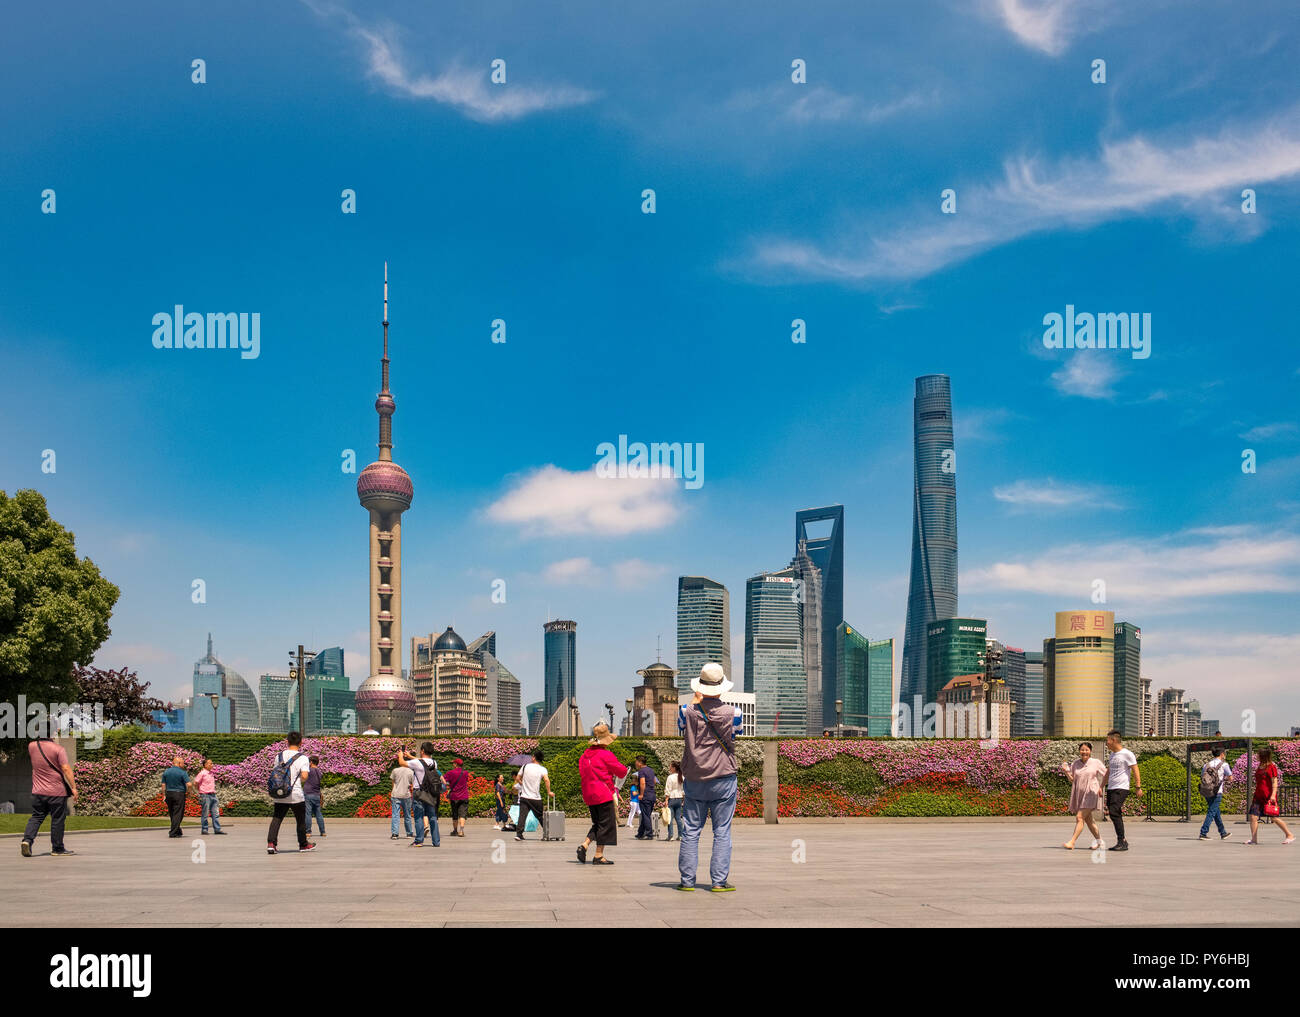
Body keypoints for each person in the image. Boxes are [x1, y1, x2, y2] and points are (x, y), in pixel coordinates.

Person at [676, 663, 743, 891]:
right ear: (721, 687)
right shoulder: (734, 713)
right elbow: (736, 733)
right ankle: (718, 882)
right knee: (722, 830)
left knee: (691, 831)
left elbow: (682, 726)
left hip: (694, 777)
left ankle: (686, 882)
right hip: (723, 777)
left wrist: (695, 702)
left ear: (700, 686)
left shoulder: (686, 711)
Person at [20, 728, 78, 858]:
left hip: (38, 791)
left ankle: (27, 840)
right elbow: (66, 768)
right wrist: (73, 787)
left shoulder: (32, 746)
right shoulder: (58, 749)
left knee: (37, 817)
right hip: (57, 792)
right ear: (51, 733)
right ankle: (57, 848)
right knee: (57, 820)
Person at [577, 723, 628, 865]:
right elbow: (622, 771)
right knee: (606, 824)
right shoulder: (606, 754)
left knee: (598, 823)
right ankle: (598, 855)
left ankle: (585, 845)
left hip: (589, 794)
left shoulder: (584, 756)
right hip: (603, 793)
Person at [267, 731, 315, 854]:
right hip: (295, 794)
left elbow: (276, 773)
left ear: (287, 742)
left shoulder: (279, 756)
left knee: (277, 818)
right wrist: (299, 778)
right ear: (301, 742)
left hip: (280, 793)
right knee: (300, 820)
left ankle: (271, 844)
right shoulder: (303, 758)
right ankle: (303, 845)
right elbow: (304, 776)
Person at [1060, 742, 1106, 850]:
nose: (1084, 752)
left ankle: (1072, 842)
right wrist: (1066, 771)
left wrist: (1101, 787)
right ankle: (1100, 842)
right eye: (1082, 749)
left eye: (1086, 750)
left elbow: (1106, 774)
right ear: (1079, 751)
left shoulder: (1096, 762)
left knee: (1079, 817)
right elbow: (1072, 779)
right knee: (1089, 821)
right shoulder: (1076, 763)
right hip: (1080, 794)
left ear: (1090, 751)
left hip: (1091, 792)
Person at [1246, 747, 1294, 845]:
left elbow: (1274, 782)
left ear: (1263, 756)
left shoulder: (1271, 767)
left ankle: (1289, 835)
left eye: (1258, 754)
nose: (1257, 756)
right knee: (1253, 817)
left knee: (1274, 818)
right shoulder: (1260, 766)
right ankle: (1254, 839)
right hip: (1258, 796)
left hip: (1268, 797)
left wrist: (1273, 795)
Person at [1103, 730, 1142, 852]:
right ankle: (1121, 841)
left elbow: (1135, 769)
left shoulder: (1127, 754)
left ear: (1113, 740)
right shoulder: (1112, 755)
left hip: (1122, 787)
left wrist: (1138, 787)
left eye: (1107, 741)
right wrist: (1101, 786)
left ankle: (1122, 840)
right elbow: (1108, 772)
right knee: (1113, 812)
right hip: (1111, 787)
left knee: (1114, 811)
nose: (1106, 743)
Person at [400, 744, 442, 849]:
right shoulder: (434, 763)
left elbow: (402, 763)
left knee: (419, 817)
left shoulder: (416, 763)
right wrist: (410, 756)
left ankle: (419, 840)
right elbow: (422, 761)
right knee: (432, 817)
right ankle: (436, 841)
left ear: (422, 750)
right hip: (430, 793)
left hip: (418, 793)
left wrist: (401, 755)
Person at [514, 749, 552, 841]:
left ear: (534, 757)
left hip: (524, 797)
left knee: (522, 816)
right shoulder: (543, 769)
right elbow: (546, 780)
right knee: (540, 816)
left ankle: (519, 834)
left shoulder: (525, 766)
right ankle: (547, 834)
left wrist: (523, 783)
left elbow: (518, 778)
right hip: (536, 798)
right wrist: (549, 792)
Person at [1198, 748, 1232, 841]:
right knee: (1211, 812)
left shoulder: (1206, 765)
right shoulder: (1224, 765)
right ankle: (1203, 832)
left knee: (1215, 812)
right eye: (1224, 753)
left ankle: (1223, 832)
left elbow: (1202, 776)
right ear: (1221, 754)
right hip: (1217, 791)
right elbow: (1230, 777)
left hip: (1207, 791)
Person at [161, 755, 193, 838]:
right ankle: (173, 832)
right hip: (179, 794)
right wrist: (189, 793)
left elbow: (163, 784)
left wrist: (164, 794)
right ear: (179, 763)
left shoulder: (166, 772)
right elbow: (189, 784)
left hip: (169, 793)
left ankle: (178, 830)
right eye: (183, 763)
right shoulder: (182, 772)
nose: (184, 765)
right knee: (178, 813)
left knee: (172, 813)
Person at [195, 758, 225, 836]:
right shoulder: (202, 773)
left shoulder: (211, 773)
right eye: (210, 763)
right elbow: (196, 782)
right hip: (205, 795)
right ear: (205, 765)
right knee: (205, 813)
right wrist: (200, 790)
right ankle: (204, 829)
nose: (212, 765)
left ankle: (217, 829)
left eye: (212, 763)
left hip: (213, 795)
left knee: (215, 813)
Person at [390, 754, 416, 840]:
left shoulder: (395, 770)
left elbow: (393, 782)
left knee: (395, 815)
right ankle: (409, 833)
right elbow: (413, 785)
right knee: (407, 815)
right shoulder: (411, 772)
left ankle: (395, 834)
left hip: (395, 794)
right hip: (406, 795)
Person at [444, 758, 470, 837]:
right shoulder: (465, 773)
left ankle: (455, 831)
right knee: (462, 814)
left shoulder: (451, 773)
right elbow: (466, 781)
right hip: (464, 796)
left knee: (455, 814)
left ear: (456, 764)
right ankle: (461, 831)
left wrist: (449, 785)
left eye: (453, 763)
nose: (452, 764)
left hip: (454, 797)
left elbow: (444, 780)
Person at [634, 755, 658, 840]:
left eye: (636, 761)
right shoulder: (651, 770)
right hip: (652, 795)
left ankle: (649, 834)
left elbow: (643, 783)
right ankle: (640, 833)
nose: (635, 763)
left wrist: (641, 794)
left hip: (645, 796)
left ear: (640, 763)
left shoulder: (641, 771)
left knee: (646, 815)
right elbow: (654, 781)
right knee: (645, 815)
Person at [303, 756, 325, 838]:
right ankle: (323, 832)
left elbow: (302, 777)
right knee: (318, 814)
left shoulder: (309, 770)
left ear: (311, 762)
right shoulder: (319, 772)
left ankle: (308, 832)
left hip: (308, 794)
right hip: (317, 795)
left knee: (308, 813)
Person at [664, 761, 685, 841]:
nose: (669, 768)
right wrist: (683, 799)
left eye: (670, 767)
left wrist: (666, 800)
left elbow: (668, 789)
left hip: (671, 799)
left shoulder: (670, 777)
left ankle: (671, 835)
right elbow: (684, 790)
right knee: (678, 818)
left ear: (674, 768)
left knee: (670, 818)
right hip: (679, 798)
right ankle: (680, 835)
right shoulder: (682, 777)